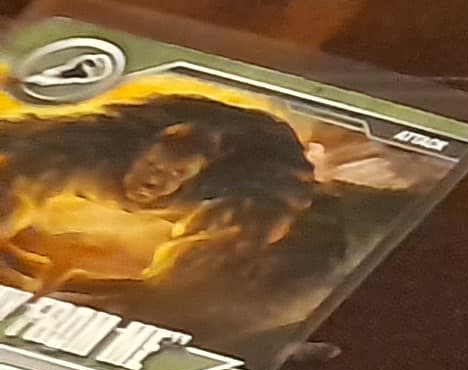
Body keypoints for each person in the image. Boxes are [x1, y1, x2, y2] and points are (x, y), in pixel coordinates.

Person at [0, 91, 348, 344]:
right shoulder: (85, 145)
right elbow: (22, 145)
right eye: (152, 166)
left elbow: (205, 281)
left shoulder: (259, 189)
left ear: (193, 177)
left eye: (173, 174)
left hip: (259, 186)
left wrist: (153, 300)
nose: (153, 181)